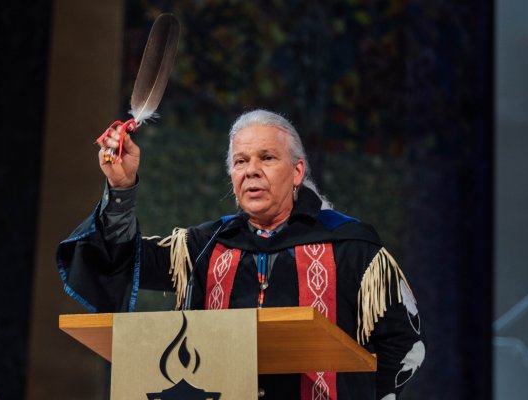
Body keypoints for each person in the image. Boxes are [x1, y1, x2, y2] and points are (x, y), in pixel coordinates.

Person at [57, 109, 425, 400]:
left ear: (297, 171)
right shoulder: (205, 247)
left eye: (266, 158)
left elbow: (403, 344)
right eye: (240, 161)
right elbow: (120, 260)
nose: (251, 171)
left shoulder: (351, 246)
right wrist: (121, 190)